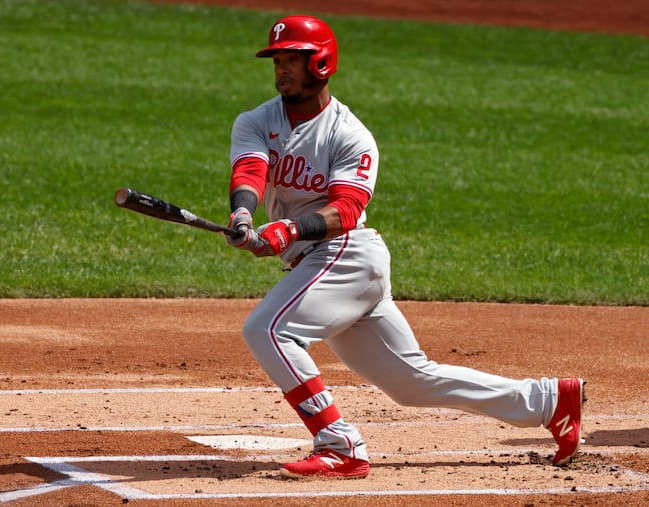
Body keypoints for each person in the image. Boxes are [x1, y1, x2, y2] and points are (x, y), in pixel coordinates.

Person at [225, 14, 585, 479]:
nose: (282, 69)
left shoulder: (349, 135)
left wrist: (289, 230)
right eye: (278, 60)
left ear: (321, 63)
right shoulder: (256, 121)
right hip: (325, 264)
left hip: (347, 254)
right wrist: (243, 216)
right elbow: (250, 172)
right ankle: (549, 400)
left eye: (293, 59)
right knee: (409, 381)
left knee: (267, 330)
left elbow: (346, 209)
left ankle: (339, 444)